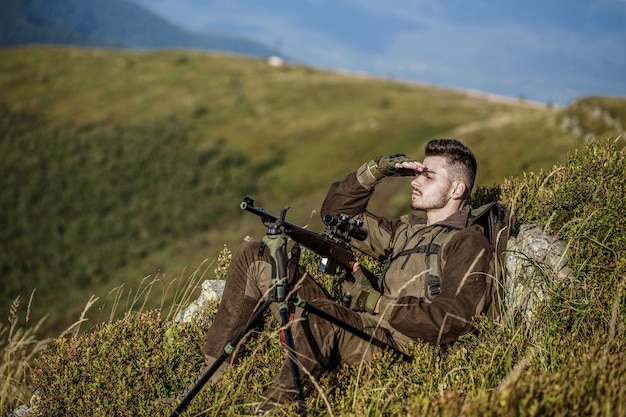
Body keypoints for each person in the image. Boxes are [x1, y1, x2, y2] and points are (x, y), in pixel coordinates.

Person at [196, 138, 494, 413]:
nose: (416, 181)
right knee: (256, 256)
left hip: (399, 348)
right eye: (419, 173)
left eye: (428, 176)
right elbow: (337, 213)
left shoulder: (467, 243)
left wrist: (376, 303)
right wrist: (375, 170)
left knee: (322, 314)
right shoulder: (404, 232)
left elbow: (450, 321)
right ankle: (208, 385)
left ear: (457, 189)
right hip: (360, 324)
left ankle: (271, 409)